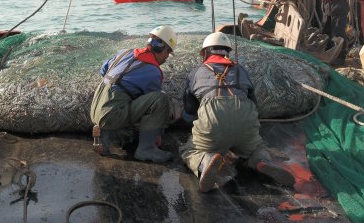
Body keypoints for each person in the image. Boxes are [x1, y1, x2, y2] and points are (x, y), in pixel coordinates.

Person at [179, 32, 295, 192]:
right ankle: (261, 160)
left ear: (204, 52)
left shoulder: (196, 72)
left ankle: (205, 160)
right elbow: (254, 103)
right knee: (257, 146)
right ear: (227, 52)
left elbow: (190, 110)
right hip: (245, 115)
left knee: (189, 149)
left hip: (214, 120)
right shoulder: (240, 70)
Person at [90, 26, 178, 163]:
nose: (166, 58)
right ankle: (146, 149)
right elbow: (153, 106)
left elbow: (103, 71)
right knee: (160, 99)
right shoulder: (154, 71)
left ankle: (106, 136)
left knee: (127, 99)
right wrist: (157, 133)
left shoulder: (124, 52)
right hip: (112, 114)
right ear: (164, 49)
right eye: (168, 53)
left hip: (96, 108)